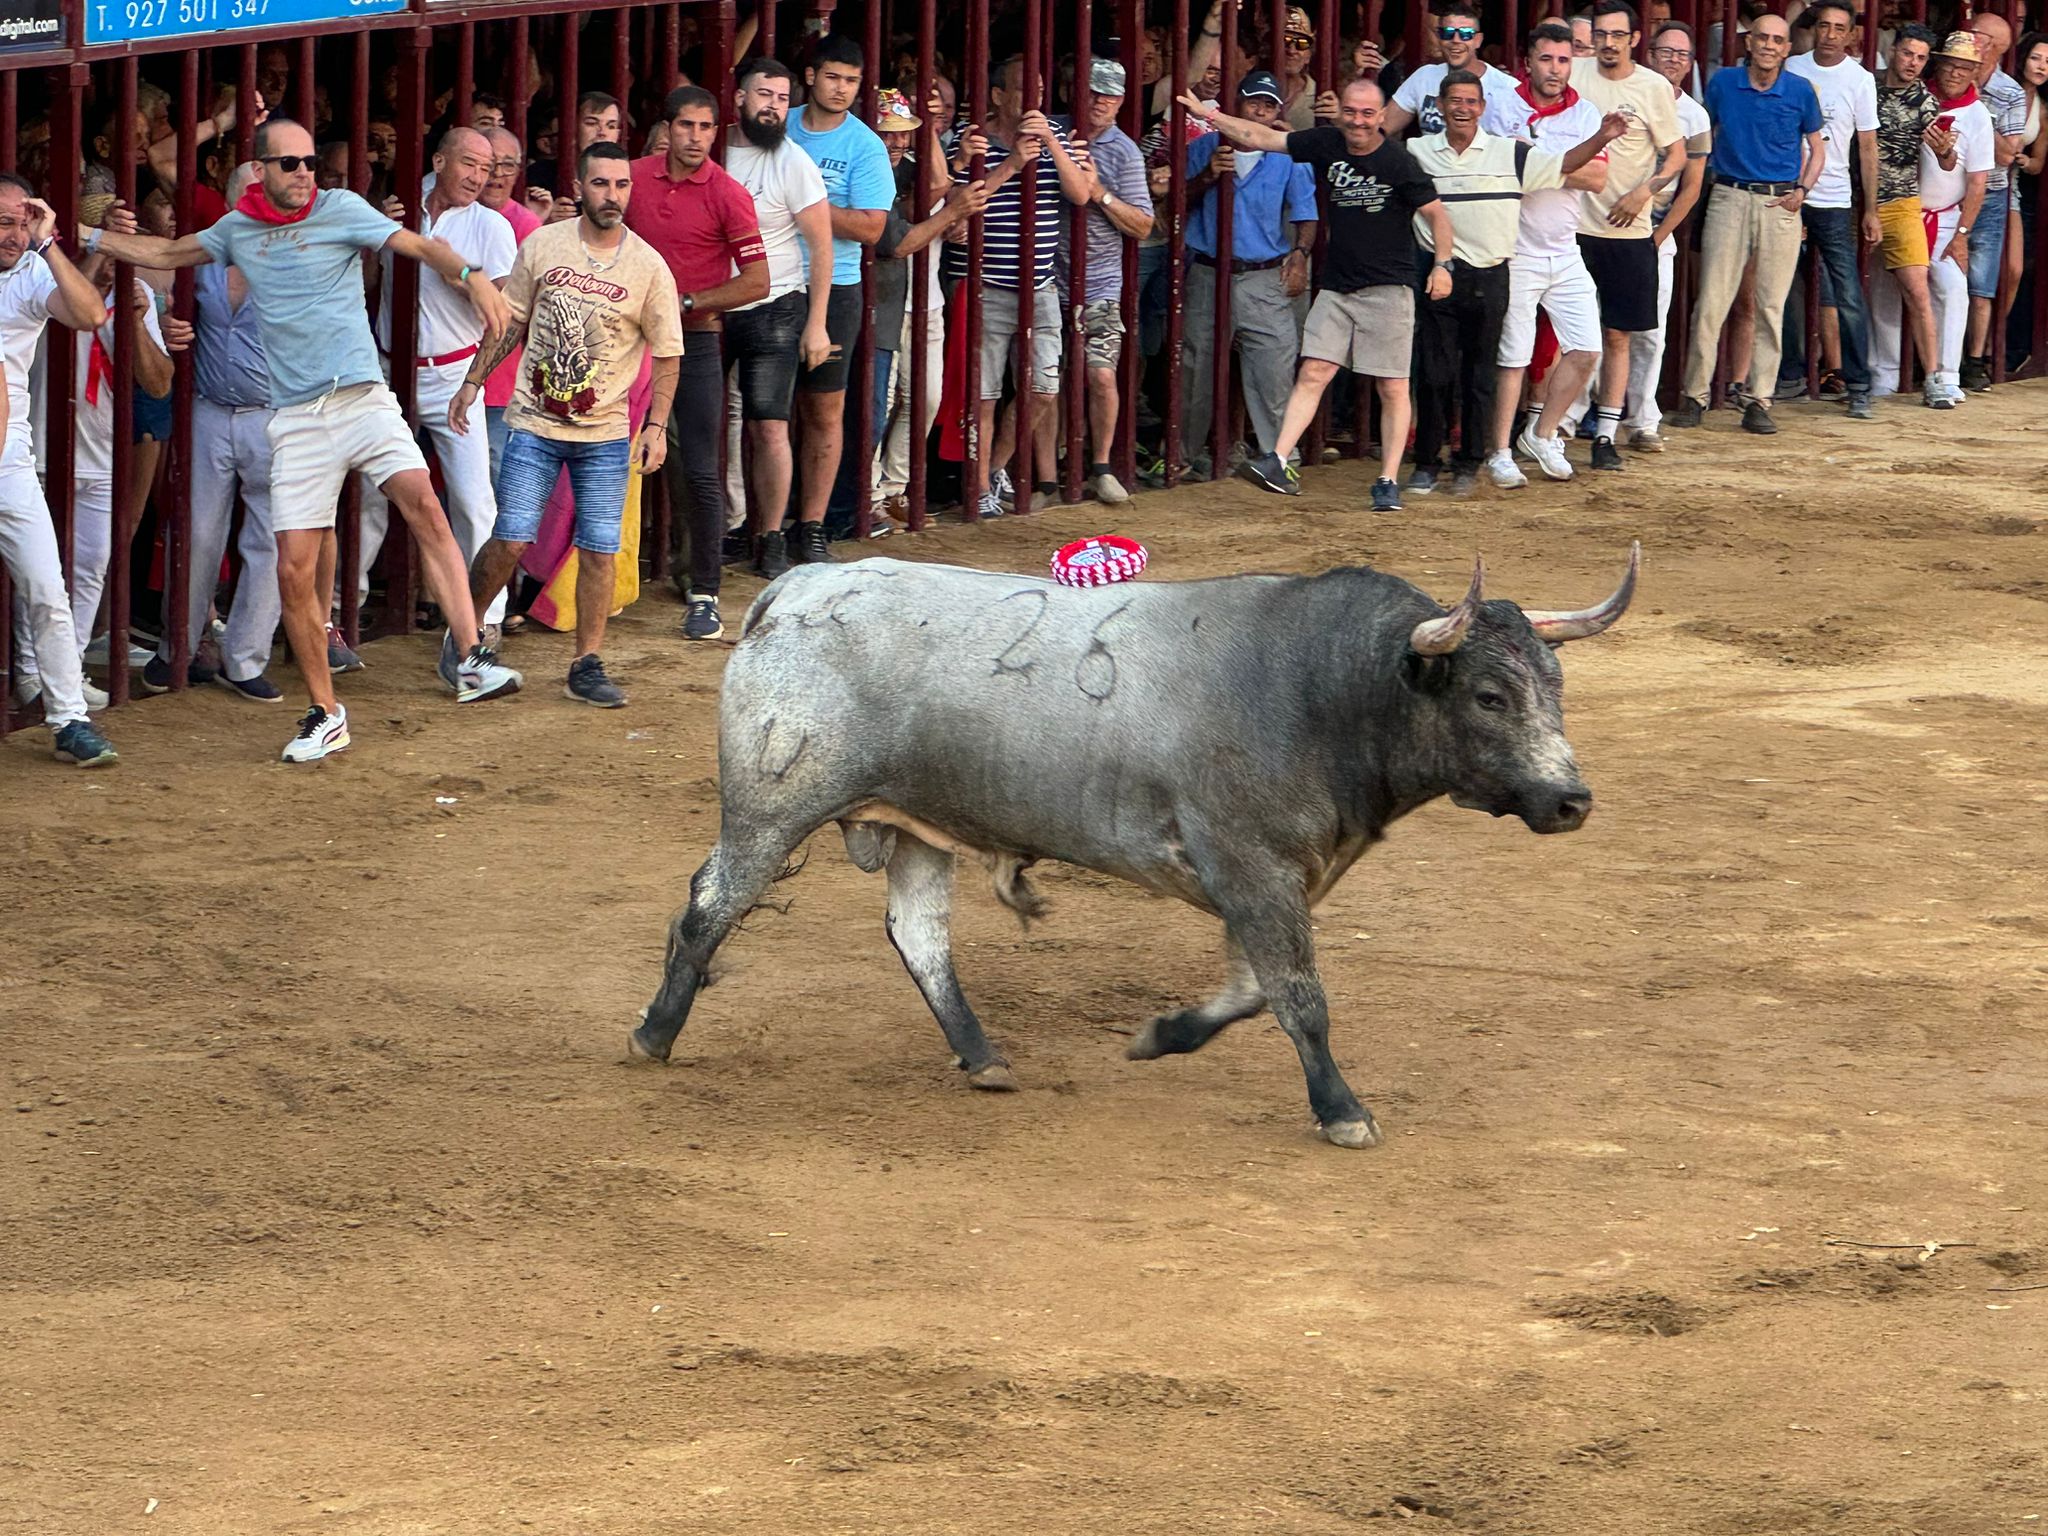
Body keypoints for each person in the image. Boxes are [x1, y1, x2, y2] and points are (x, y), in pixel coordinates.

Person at [88, 118, 521, 763]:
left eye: (311, 163)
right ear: (260, 169)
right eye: (289, 164)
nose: (304, 174)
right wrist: (87, 234)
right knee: (293, 569)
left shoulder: (343, 209)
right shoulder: (238, 231)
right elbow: (168, 254)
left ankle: (471, 657)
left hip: (364, 398)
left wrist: (475, 279)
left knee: (426, 508)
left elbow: (422, 247)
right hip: (294, 420)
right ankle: (326, 712)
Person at [453, 142, 682, 707]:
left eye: (622, 185)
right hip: (533, 421)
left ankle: (586, 661)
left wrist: (655, 427)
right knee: (510, 539)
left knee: (600, 549)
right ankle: (464, 640)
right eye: (601, 184)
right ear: (580, 187)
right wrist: (474, 381)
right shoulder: (544, 244)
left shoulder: (649, 266)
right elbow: (511, 323)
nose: (613, 196)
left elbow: (669, 353)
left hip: (604, 433)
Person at [1186, 77, 1453, 510]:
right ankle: (1277, 460)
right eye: (1351, 111)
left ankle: (1386, 481)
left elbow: (1437, 216)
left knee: (1392, 386)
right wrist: (1211, 117)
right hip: (1338, 286)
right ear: (1340, 112)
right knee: (1313, 371)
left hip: (1388, 287)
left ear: (1383, 117)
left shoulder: (1398, 161)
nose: (1358, 121)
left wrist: (1443, 265)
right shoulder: (1327, 143)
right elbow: (1261, 136)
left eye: (1368, 113)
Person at [1409, 72, 1623, 496]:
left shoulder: (1507, 152)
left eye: (1471, 101)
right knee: (1439, 372)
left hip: (1501, 267)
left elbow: (1567, 166)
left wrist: (1602, 137)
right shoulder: (1417, 150)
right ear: (1440, 105)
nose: (1463, 108)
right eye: (1455, 100)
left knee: (1487, 372)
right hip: (1448, 270)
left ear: (1482, 108)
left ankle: (1489, 454)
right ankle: (1437, 463)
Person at [624, 84, 770, 643]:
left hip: (693, 340)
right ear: (666, 129)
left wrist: (688, 302)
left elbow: (757, 281)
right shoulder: (631, 177)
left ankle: (705, 590)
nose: (696, 138)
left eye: (707, 128)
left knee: (701, 469)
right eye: (687, 126)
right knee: (597, 456)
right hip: (625, 342)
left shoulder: (728, 193)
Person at [359, 127, 518, 630]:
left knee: (473, 500)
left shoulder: (492, 228)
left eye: (488, 168)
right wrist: (371, 238)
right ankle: (346, 607)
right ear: (439, 161)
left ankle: (484, 618)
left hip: (453, 371)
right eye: (469, 164)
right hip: (387, 369)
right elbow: (367, 285)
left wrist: (459, 280)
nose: (479, 177)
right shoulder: (399, 205)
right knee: (369, 494)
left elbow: (504, 317)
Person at [146, 162, 285, 704]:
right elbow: (159, 286)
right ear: (232, 204)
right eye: (251, 196)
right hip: (209, 409)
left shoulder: (297, 259)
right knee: (197, 534)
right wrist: (167, 321)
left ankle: (245, 658)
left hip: (272, 414)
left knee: (269, 540)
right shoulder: (203, 253)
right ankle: (175, 648)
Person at [946, 55, 1097, 519]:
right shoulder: (971, 139)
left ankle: (994, 470)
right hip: (986, 284)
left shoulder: (1053, 136)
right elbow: (956, 205)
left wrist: (1050, 141)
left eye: (1037, 90)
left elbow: (1080, 195)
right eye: (1020, 90)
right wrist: (1013, 162)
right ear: (997, 95)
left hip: (1041, 286)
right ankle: (979, 492)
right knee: (984, 396)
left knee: (1043, 390)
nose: (1032, 101)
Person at [0, 178, 118, 766]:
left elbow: (91, 313)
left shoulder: (31, 269)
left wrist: (49, 245)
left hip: (9, 457)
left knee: (48, 588)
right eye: (5, 223)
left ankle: (69, 719)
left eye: (24, 222)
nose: (15, 235)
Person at [1668, 13, 1824, 435]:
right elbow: (1703, 132)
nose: (1770, 45)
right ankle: (1695, 395)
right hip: (1730, 195)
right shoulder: (1722, 84)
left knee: (1770, 306)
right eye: (1763, 38)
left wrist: (1803, 190)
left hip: (1780, 202)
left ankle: (1759, 399)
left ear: (1787, 48)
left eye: (1778, 39)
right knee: (1712, 301)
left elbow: (1817, 148)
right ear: (1748, 43)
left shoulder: (1800, 90)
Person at [1478, 22, 1615, 486]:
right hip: (1515, 251)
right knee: (1513, 357)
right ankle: (1499, 450)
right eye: (1546, 59)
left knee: (1587, 351)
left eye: (1563, 60)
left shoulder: (1586, 113)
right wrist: (1565, 164)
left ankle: (1541, 433)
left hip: (1564, 247)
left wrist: (1532, 163)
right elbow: (1491, 168)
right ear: (1528, 61)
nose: (1555, 69)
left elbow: (1597, 180)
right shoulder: (1500, 106)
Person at [785, 34, 896, 563]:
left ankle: (811, 526)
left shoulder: (866, 146)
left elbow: (873, 228)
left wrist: (802, 206)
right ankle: (764, 525)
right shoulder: (780, 127)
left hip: (836, 291)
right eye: (833, 77)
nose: (842, 89)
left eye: (851, 81)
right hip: (772, 282)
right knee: (763, 412)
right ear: (810, 76)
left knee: (824, 410)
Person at [721, 57, 833, 579]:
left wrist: (817, 323)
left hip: (777, 303)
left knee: (769, 424)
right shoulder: (712, 149)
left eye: (784, 98)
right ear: (740, 98)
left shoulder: (793, 162)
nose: (774, 106)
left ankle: (770, 536)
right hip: (709, 302)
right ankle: (715, 532)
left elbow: (823, 246)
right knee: (701, 426)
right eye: (764, 95)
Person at [1180, 69, 1318, 479]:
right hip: (1208, 271)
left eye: (1268, 104)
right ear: (1235, 106)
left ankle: (1279, 458)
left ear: (1278, 111)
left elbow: (1307, 213)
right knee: (1196, 369)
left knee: (1274, 371)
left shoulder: (1288, 154)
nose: (1259, 111)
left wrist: (1300, 253)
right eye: (1252, 102)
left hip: (1264, 275)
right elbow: (1177, 203)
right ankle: (1184, 457)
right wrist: (1207, 175)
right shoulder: (1205, 146)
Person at [864, 91, 988, 527]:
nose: (897, 144)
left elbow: (953, 207)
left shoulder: (917, 169)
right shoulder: (871, 174)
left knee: (926, 397)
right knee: (881, 402)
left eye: (905, 134)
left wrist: (957, 218)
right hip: (886, 304)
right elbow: (919, 217)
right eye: (888, 134)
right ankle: (872, 494)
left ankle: (896, 487)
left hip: (926, 301)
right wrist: (950, 206)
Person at [1573, 0, 1686, 465]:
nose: (1608, 43)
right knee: (1567, 334)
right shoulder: (1576, 75)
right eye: (1601, 34)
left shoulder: (1653, 86)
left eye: (1618, 35)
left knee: (1619, 335)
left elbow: (1676, 155)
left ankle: (1605, 432)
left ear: (1635, 39)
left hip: (1628, 228)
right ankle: (1552, 426)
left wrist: (1645, 193)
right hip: (1574, 225)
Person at [1870, 31, 1992, 407]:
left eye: (1965, 67)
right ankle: (1884, 376)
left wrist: (1962, 233)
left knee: (1952, 290)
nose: (1955, 73)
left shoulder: (1978, 116)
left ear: (1975, 72)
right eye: (1950, 64)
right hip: (1896, 205)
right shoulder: (1919, 98)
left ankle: (1946, 374)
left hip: (1943, 219)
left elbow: (1976, 181)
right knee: (1884, 293)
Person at [1775, 0, 1880, 419]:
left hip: (1835, 199)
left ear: (1852, 34)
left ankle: (1858, 383)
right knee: (1779, 288)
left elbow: (1867, 147)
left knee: (1848, 293)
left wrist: (1869, 208)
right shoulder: (1794, 68)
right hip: (1791, 195)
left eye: (1840, 28)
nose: (1831, 34)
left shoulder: (1860, 79)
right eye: (1824, 26)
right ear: (1814, 28)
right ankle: (1790, 374)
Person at [1062, 57, 1154, 504]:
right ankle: (1047, 475)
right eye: (1093, 92)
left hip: (1098, 283)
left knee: (1100, 376)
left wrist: (1099, 192)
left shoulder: (1125, 152)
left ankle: (1100, 466)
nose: (1099, 102)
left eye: (1109, 95)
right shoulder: (1054, 135)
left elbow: (1143, 225)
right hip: (1044, 279)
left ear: (1120, 103)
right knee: (1046, 382)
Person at [1621, 20, 1711, 452]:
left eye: (1682, 54)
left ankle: (1642, 420)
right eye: (1666, 52)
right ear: (1649, 53)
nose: (1673, 61)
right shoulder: (1626, 94)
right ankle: (1577, 417)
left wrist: (1659, 237)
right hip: (1610, 229)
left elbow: (1691, 187)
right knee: (1593, 327)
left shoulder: (1694, 114)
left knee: (1650, 332)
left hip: (1657, 234)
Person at [1961, 11, 2025, 390]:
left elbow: (2005, 155)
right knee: (1942, 276)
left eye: (1975, 35)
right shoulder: (1949, 76)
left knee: (1982, 284)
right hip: (1950, 190)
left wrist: (1974, 108)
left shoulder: (2011, 92)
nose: (1968, 38)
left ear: (1993, 47)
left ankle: (1974, 360)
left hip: (1991, 192)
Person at [478, 127, 543, 484]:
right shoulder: (457, 213)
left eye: (508, 166)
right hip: (448, 369)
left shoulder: (527, 224)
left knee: (498, 472)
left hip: (502, 377)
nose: (497, 175)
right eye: (490, 164)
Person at [1385, 3, 1522, 135]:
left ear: (1478, 40)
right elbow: (1383, 128)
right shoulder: (1424, 77)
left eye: (1466, 34)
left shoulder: (1508, 88)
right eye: (1448, 33)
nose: (1456, 40)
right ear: (1439, 38)